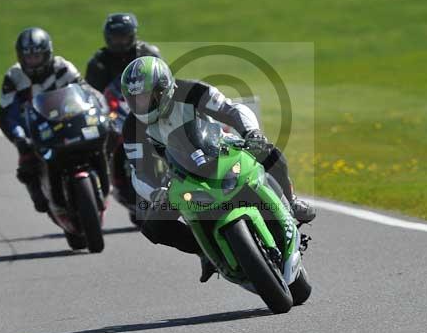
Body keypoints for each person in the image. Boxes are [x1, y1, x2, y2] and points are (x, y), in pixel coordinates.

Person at [120, 56, 316, 283]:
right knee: (153, 228)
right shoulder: (131, 127)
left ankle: (290, 201)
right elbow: (140, 171)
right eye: (134, 100)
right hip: (181, 173)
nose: (141, 105)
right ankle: (204, 252)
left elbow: (231, 109)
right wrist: (156, 192)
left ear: (163, 89)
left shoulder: (191, 90)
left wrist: (251, 133)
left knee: (271, 154)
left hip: (220, 148)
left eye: (146, 97)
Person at [0, 27, 86, 213]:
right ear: (20, 57)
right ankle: (39, 194)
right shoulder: (13, 77)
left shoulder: (63, 68)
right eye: (28, 57)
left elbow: (85, 93)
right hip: (34, 131)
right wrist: (19, 137)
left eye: (37, 56)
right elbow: (7, 113)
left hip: (67, 122)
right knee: (27, 166)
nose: (33, 62)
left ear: (47, 53)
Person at [84, 13, 161, 92]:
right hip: (109, 103)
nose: (119, 42)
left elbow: (162, 85)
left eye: (123, 37)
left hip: (144, 102)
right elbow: (91, 94)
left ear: (132, 36)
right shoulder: (98, 62)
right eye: (115, 38)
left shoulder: (147, 55)